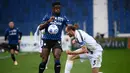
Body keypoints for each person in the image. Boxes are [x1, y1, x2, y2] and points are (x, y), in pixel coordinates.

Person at [38, 2, 71, 73]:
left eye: (59, 8)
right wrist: (48, 21)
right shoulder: (47, 16)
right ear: (53, 8)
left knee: (57, 57)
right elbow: (40, 27)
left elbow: (69, 26)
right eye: (56, 8)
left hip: (56, 41)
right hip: (46, 40)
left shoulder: (63, 18)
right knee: (44, 60)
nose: (58, 9)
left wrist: (72, 28)